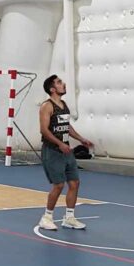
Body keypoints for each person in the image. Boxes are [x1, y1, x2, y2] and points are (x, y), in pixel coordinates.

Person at [36, 74, 93, 231]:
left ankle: (69, 218)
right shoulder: (47, 106)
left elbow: (67, 126)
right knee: (59, 185)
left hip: (66, 151)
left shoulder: (64, 105)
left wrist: (81, 139)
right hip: (52, 151)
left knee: (74, 183)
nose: (64, 84)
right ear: (52, 89)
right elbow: (44, 130)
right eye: (59, 82)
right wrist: (60, 144)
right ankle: (46, 218)